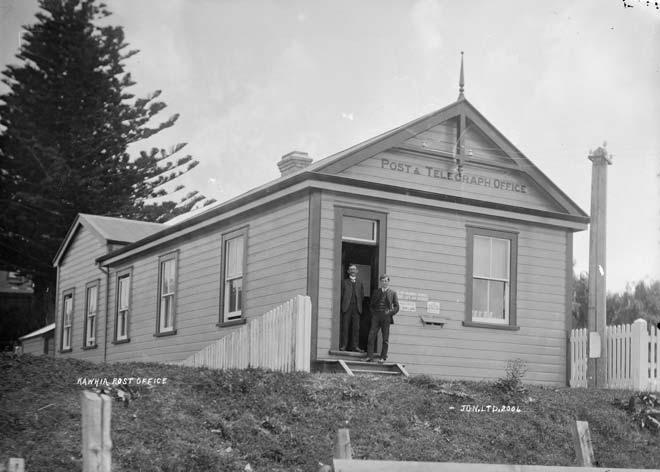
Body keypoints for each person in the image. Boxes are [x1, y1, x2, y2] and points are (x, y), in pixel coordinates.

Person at [366, 274, 399, 363]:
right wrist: (374, 314)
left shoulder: (392, 293)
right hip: (376, 317)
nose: (384, 282)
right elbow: (371, 305)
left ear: (388, 282)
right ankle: (369, 357)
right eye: (383, 281)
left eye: (386, 281)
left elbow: (397, 307)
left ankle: (382, 358)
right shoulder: (376, 292)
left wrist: (389, 313)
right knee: (371, 336)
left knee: (385, 339)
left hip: (386, 317)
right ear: (380, 282)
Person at [340, 264, 365, 352]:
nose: (353, 271)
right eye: (351, 269)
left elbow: (362, 296)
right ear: (348, 271)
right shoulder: (344, 282)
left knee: (356, 328)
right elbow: (342, 294)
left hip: (357, 308)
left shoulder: (360, 282)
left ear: (357, 271)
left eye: (354, 269)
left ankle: (355, 346)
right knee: (345, 327)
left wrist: (357, 304)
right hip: (347, 307)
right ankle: (344, 345)